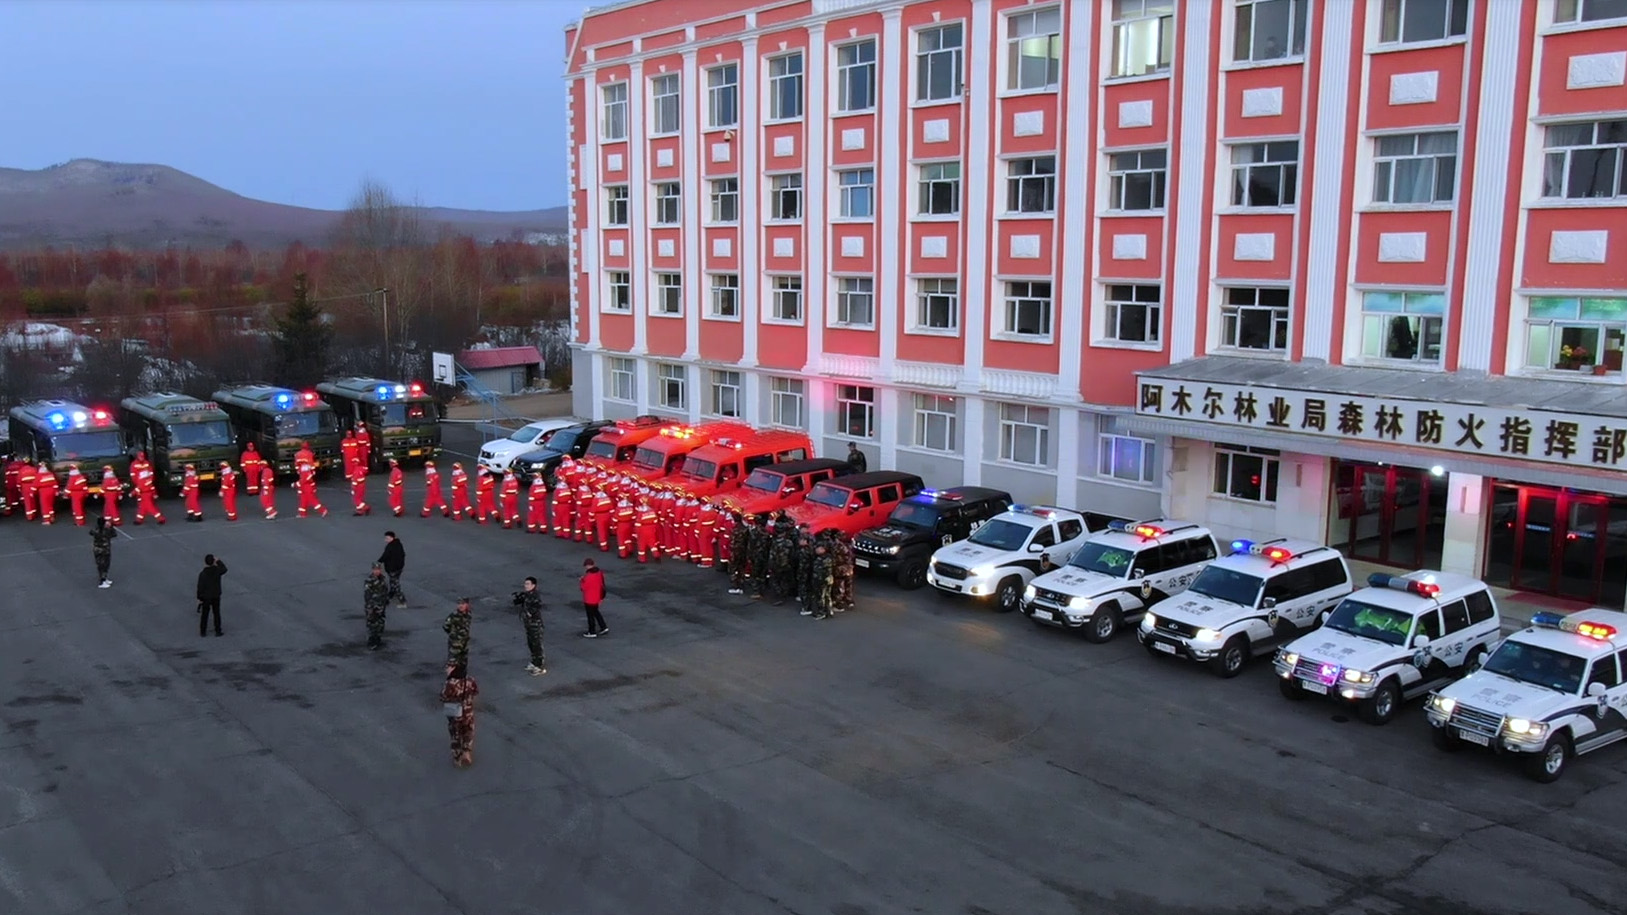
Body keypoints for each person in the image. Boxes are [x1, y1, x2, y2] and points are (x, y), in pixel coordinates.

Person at [440, 664, 479, 768]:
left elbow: (443, 697)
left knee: (455, 734)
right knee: (468, 731)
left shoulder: (450, 683)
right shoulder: (470, 680)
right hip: (468, 712)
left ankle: (457, 758)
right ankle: (467, 753)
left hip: (455, 713)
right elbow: (475, 692)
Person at [512, 577, 546, 675]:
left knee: (537, 644)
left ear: (533, 585)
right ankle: (534, 662)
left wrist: (530, 613)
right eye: (525, 584)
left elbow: (537, 606)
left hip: (535, 624)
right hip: (529, 624)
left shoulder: (535, 596)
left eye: (528, 584)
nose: (525, 586)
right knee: (531, 643)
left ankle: (540, 666)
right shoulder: (527, 595)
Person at [196, 554, 228, 637]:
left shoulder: (203, 574)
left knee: (205, 614)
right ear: (213, 561)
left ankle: (203, 631)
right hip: (216, 595)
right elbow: (224, 569)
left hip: (206, 597)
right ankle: (218, 630)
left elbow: (200, 587)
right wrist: (218, 561)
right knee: (216, 613)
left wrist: (199, 597)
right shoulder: (217, 571)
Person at [364, 563, 390, 650]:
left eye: (378, 569)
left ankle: (378, 640)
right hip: (372, 606)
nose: (377, 571)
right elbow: (367, 595)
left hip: (381, 606)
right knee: (372, 624)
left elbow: (385, 591)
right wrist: (370, 607)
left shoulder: (382, 579)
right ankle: (372, 642)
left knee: (380, 623)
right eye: (375, 569)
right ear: (373, 570)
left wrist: (386, 601)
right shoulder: (369, 580)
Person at [580, 558, 608, 638]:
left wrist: (582, 581)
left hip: (589, 599)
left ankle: (592, 631)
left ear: (587, 566)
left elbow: (583, 588)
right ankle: (603, 627)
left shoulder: (588, 576)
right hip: (597, 597)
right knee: (596, 612)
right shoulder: (599, 572)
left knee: (590, 616)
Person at [378, 531, 407, 607]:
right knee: (393, 580)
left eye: (387, 538)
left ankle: (402, 601)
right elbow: (403, 554)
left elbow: (385, 556)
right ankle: (392, 592)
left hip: (392, 568)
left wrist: (379, 562)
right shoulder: (399, 544)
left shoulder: (390, 547)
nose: (385, 540)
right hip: (399, 568)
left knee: (395, 584)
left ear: (392, 538)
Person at [133, 458, 165, 525]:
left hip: (144, 495)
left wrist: (132, 493)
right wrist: (154, 493)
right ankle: (138, 520)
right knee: (142, 508)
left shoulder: (142, 480)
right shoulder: (148, 479)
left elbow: (138, 488)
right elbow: (152, 487)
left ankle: (161, 519)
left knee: (151, 508)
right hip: (148, 494)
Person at [443, 596, 472, 671]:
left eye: (463, 604)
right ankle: (451, 677)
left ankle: (462, 676)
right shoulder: (454, 615)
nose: (460, 606)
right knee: (452, 663)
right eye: (459, 604)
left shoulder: (468, 614)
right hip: (455, 643)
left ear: (467, 604)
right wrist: (454, 635)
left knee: (463, 663)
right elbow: (446, 626)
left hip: (464, 643)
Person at [90, 516, 115, 588]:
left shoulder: (96, 530)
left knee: (102, 565)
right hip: (104, 550)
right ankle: (102, 581)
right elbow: (114, 534)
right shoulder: (106, 531)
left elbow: (91, 532)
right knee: (103, 566)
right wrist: (110, 527)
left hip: (97, 550)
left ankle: (104, 578)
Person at [635, 497, 659, 563]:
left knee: (641, 544)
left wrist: (636, 533)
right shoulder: (652, 511)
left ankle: (642, 559)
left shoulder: (640, 513)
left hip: (643, 530)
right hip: (651, 529)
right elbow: (655, 521)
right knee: (652, 543)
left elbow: (637, 524)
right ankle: (656, 555)